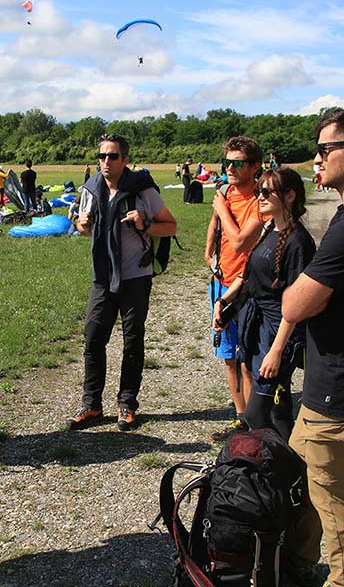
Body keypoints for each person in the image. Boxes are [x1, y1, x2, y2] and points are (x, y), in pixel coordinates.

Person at [282, 107, 344, 587]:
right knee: (297, 475)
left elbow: (297, 301)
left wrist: (293, 294)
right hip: (328, 392)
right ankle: (297, 567)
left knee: (338, 513)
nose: (317, 158)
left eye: (326, 149)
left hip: (335, 396)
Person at [67, 134, 177, 431]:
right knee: (93, 339)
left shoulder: (143, 190)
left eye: (112, 156)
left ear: (125, 160)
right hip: (102, 277)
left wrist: (145, 223)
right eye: (101, 156)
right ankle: (92, 406)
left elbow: (171, 226)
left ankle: (127, 403)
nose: (105, 161)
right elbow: (80, 227)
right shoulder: (90, 189)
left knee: (132, 342)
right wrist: (82, 225)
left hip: (135, 278)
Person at [212, 168, 314, 439]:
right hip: (257, 325)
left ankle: (274, 467)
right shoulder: (270, 228)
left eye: (267, 192)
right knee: (276, 410)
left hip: (278, 332)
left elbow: (297, 304)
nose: (260, 197)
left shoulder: (298, 242)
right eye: (259, 192)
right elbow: (246, 275)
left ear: (290, 196)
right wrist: (223, 301)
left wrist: (277, 351)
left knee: (259, 412)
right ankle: (283, 471)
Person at [204, 136, 265, 442]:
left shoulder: (259, 200)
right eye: (226, 161)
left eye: (238, 162)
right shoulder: (225, 193)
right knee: (228, 356)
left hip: (247, 288)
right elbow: (216, 224)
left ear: (254, 166)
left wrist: (221, 207)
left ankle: (255, 423)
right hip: (221, 282)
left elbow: (241, 239)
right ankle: (241, 418)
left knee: (247, 359)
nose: (229, 167)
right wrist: (207, 251)